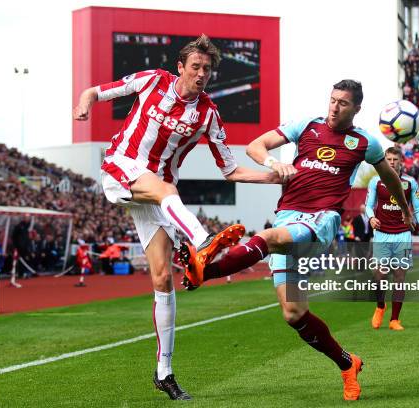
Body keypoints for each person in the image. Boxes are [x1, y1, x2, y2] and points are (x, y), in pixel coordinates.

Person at [73, 34, 278, 400]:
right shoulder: (152, 79)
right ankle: (202, 242)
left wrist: (272, 176)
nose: (201, 74)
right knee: (169, 192)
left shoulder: (209, 114)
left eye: (207, 69)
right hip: (122, 166)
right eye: (195, 67)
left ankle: (164, 372)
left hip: (158, 191)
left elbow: (230, 171)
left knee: (163, 277)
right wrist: (84, 104)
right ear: (180, 67)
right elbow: (95, 92)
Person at [180, 80, 413, 401]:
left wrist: (405, 209)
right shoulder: (307, 125)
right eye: (332, 100)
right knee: (293, 313)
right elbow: (254, 146)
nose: (334, 107)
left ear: (357, 108)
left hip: (321, 221)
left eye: (342, 103)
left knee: (269, 238)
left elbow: (389, 177)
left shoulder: (365, 142)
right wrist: (275, 162)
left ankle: (204, 272)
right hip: (288, 216)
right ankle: (348, 363)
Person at [365, 146, 419, 331]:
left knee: (399, 276)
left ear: (401, 161)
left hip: (403, 234)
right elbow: (368, 205)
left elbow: (418, 208)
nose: (392, 162)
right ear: (385, 161)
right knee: (379, 275)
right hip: (382, 234)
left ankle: (395, 319)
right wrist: (371, 217)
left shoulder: (410, 183)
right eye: (389, 159)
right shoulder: (375, 182)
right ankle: (380, 306)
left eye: (395, 159)